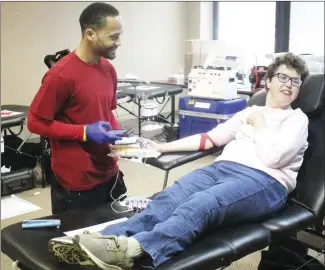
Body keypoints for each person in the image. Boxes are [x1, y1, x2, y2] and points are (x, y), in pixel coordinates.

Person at [48, 52, 310, 270]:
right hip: (224, 168)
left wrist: (261, 125)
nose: (288, 84)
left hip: (265, 182)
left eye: (295, 81)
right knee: (170, 198)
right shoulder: (251, 110)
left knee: (203, 204)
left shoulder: (297, 120)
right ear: (269, 81)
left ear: (299, 89)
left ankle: (131, 250)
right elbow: (209, 138)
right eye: (282, 77)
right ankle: (101, 238)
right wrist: (160, 146)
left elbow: (273, 158)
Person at [27, 2, 127, 215]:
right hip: (77, 181)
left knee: (116, 235)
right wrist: (83, 132)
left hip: (109, 171)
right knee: (77, 244)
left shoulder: (108, 69)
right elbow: (34, 122)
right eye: (113, 37)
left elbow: (108, 111)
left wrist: (120, 138)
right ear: (90, 34)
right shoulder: (60, 75)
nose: (119, 43)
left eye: (119, 36)